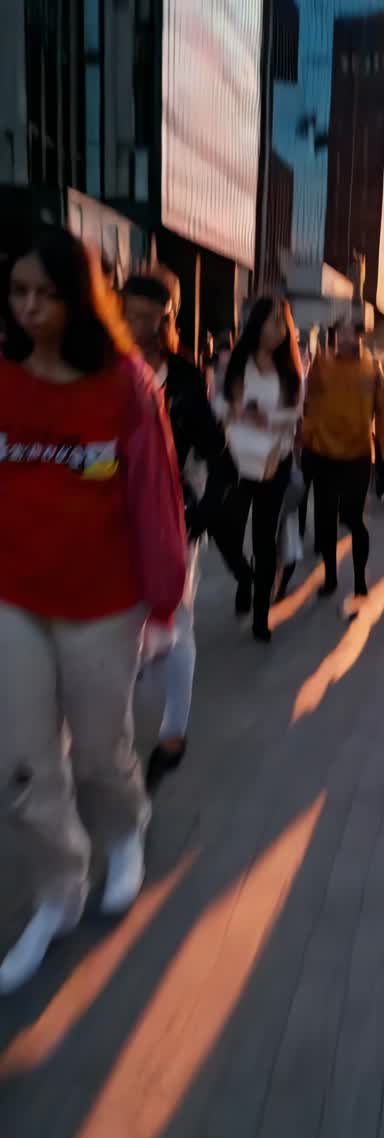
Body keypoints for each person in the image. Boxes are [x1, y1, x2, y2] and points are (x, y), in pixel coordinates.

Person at [0, 227, 186, 992]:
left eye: (46, 293)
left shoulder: (126, 386)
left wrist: (165, 605)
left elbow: (156, 499)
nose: (30, 307)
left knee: (104, 746)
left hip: (105, 605)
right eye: (18, 292)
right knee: (19, 764)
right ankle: (58, 889)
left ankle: (126, 826)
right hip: (16, 598)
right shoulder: (5, 378)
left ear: (78, 299)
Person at [123, 274, 240, 787]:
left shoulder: (186, 379)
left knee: (177, 618)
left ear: (168, 319)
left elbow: (221, 461)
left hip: (172, 520)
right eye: (130, 312)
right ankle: (111, 739)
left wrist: (197, 517)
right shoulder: (100, 371)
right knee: (116, 626)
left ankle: (174, 731)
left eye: (153, 315)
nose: (140, 325)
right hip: (107, 522)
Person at [223, 297, 303, 641]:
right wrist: (239, 413)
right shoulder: (236, 362)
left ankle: (260, 616)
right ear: (257, 324)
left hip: (274, 461)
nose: (278, 330)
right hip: (237, 462)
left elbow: (293, 418)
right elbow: (220, 405)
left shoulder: (290, 371)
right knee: (227, 532)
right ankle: (247, 578)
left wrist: (267, 421)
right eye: (272, 322)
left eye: (283, 323)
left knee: (264, 539)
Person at [303, 323, 384, 603]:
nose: (344, 338)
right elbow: (307, 404)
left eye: (350, 333)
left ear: (360, 337)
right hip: (323, 456)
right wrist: (304, 447)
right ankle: (330, 577)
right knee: (326, 521)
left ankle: (359, 580)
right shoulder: (321, 364)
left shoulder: (373, 371)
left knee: (355, 520)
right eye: (340, 333)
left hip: (357, 456)